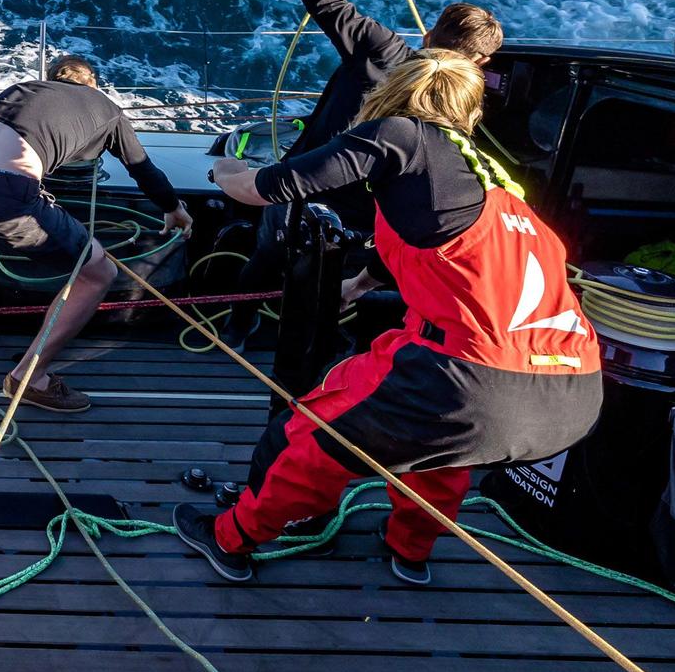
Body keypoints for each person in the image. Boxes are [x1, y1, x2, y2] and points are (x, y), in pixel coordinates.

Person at [178, 51, 602, 585]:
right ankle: (410, 552)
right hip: (572, 395)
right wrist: (359, 287)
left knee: (307, 433)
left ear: (396, 93)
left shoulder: (400, 135)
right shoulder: (498, 186)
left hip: (467, 376)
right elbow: (437, 243)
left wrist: (227, 170)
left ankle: (230, 538)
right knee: (441, 450)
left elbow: (263, 189)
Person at [222, 0, 504, 347]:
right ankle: (322, 345)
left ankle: (238, 329)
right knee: (336, 276)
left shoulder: (383, 48)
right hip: (375, 212)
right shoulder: (463, 109)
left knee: (266, 256)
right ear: (482, 65)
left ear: (428, 35)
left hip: (307, 182)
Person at [0, 56, 192, 414]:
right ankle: (31, 378)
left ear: (52, 79)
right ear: (92, 83)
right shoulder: (108, 109)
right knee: (97, 273)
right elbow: (142, 168)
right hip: (5, 189)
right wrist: (173, 207)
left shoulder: (22, 90)